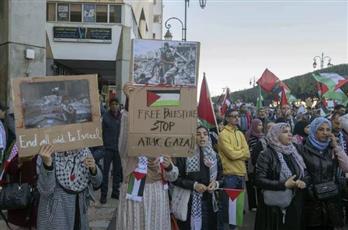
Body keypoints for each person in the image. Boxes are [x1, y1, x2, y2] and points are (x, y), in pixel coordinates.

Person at [116, 83, 179, 230]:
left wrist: (169, 166)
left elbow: (173, 176)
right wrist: (130, 102)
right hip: (134, 196)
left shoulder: (164, 147)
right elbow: (125, 129)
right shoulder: (129, 148)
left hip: (157, 197)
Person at [254, 123, 308, 230]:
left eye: (290, 132)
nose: (289, 135)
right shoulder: (266, 154)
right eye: (285, 132)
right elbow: (259, 180)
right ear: (275, 134)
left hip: (294, 202)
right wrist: (284, 184)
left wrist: (304, 181)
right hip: (273, 207)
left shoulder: (294, 151)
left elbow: (304, 172)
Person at [36, 145, 102, 230]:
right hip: (55, 218)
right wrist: (47, 165)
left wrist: (94, 169)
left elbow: (98, 183)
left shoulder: (84, 151)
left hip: (79, 215)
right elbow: (45, 190)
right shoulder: (49, 152)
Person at [299, 117, 348, 229]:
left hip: (331, 198)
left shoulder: (331, 148)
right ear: (314, 130)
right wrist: (311, 189)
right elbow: (302, 173)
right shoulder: (302, 149)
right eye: (321, 129)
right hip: (311, 200)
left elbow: (346, 167)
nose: (325, 133)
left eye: (327, 129)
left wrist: (336, 146)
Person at [174, 125, 223, 229]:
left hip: (209, 201)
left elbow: (222, 178)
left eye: (205, 134)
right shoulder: (184, 155)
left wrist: (216, 184)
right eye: (198, 134)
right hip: (189, 201)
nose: (202, 137)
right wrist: (194, 185)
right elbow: (175, 178)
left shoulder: (214, 156)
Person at [218, 108, 250, 229]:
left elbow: (248, 154)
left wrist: (239, 153)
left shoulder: (240, 133)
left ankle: (233, 228)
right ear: (227, 118)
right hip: (229, 175)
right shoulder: (223, 134)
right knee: (226, 207)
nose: (237, 118)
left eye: (238, 116)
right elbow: (231, 155)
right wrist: (241, 152)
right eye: (233, 116)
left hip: (241, 174)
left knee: (237, 207)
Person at [100, 98, 122, 203]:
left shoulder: (122, 117)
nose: (114, 106)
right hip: (107, 149)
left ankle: (115, 192)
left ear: (119, 105)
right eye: (112, 104)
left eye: (116, 104)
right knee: (105, 173)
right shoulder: (105, 117)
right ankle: (103, 194)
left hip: (118, 149)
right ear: (109, 105)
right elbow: (101, 132)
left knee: (117, 172)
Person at [245, 119, 264, 211]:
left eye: (261, 125)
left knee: (259, 184)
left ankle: (261, 204)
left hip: (260, 164)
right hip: (250, 164)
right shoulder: (249, 136)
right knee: (250, 185)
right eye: (259, 125)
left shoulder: (262, 136)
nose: (261, 127)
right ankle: (252, 205)